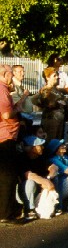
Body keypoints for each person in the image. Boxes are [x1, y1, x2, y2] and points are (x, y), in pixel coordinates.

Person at [17, 135, 58, 220]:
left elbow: (54, 167)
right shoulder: (22, 158)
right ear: (32, 148)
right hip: (24, 192)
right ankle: (29, 209)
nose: (43, 147)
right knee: (30, 182)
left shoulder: (40, 157)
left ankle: (56, 205)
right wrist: (45, 181)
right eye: (40, 146)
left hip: (39, 188)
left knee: (55, 178)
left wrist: (49, 177)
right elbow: (29, 175)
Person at [0, 65, 20, 223]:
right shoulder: (2, 90)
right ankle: (6, 214)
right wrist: (17, 109)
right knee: (8, 176)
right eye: (11, 74)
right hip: (5, 136)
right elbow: (6, 114)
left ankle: (8, 210)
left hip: (6, 135)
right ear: (5, 74)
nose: (12, 77)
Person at [32, 67, 68, 141]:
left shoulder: (56, 90)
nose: (57, 77)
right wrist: (50, 104)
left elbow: (67, 102)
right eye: (54, 76)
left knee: (59, 142)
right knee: (51, 142)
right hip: (51, 121)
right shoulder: (45, 90)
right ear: (47, 77)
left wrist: (64, 102)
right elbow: (35, 100)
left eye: (57, 75)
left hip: (59, 120)